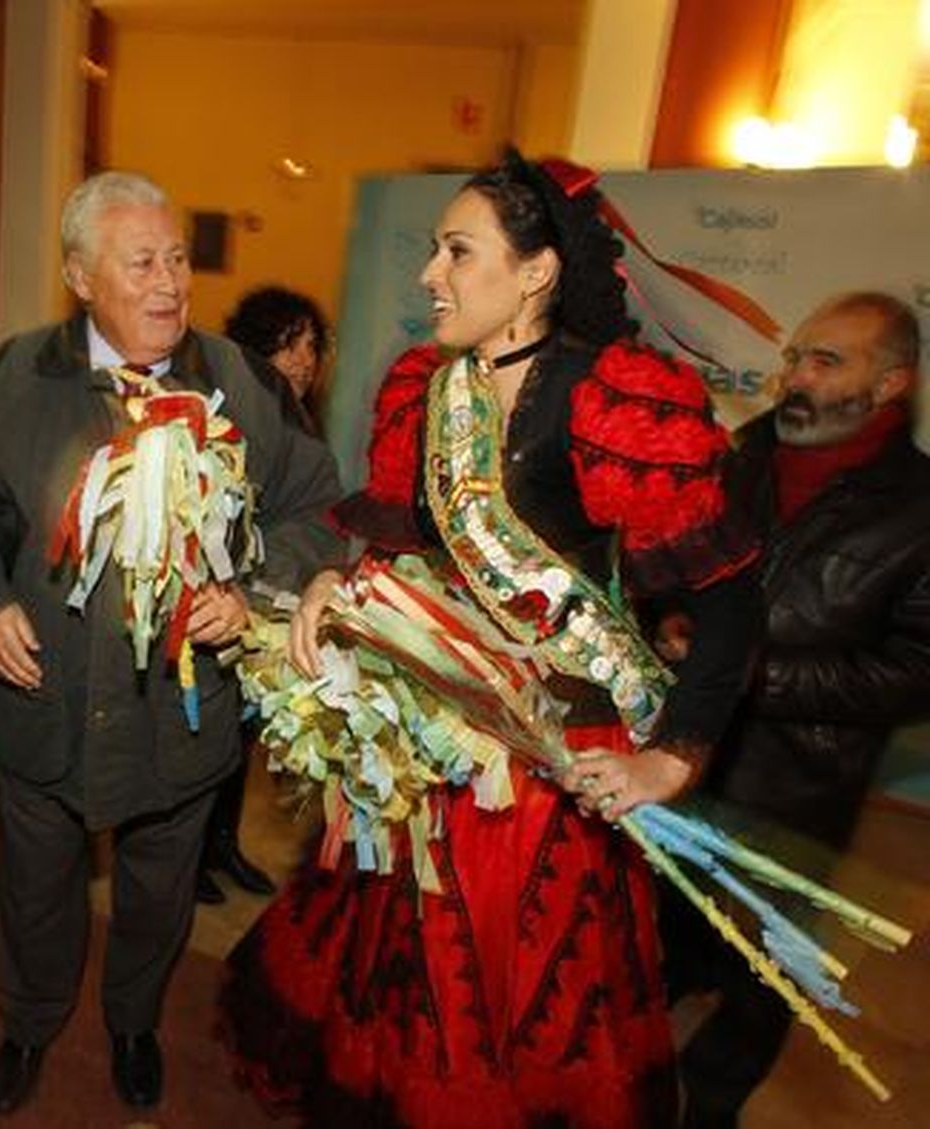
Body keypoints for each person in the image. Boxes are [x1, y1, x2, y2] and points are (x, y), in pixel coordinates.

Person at [219, 150, 762, 1128]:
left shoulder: (608, 400)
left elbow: (730, 607)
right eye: (433, 250)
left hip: (559, 754)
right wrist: (337, 585)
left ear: (535, 271)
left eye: (457, 251)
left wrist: (671, 758)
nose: (429, 274)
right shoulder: (427, 389)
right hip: (441, 727)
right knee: (406, 960)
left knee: (515, 993)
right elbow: (416, 539)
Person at [0, 170, 343, 1116]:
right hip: (43, 704)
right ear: (78, 275)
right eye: (141, 261)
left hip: (182, 718)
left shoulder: (239, 382)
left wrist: (255, 588)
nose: (169, 282)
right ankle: (28, 1022)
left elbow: (319, 508)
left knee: (158, 893)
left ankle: (135, 1022)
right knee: (34, 890)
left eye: (178, 258)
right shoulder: (14, 379)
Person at [662, 291, 930, 1128]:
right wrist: (666, 611)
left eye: (826, 360)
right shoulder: (739, 455)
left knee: (758, 982)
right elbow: (678, 564)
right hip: (681, 763)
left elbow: (916, 672)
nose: (795, 378)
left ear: (891, 384)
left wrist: (751, 673)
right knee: (655, 944)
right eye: (794, 357)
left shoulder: (922, 509)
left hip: (795, 796)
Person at [187, 285, 333, 909]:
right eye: (289, 344)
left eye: (311, 346)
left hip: (267, 607)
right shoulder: (225, 412)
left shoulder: (300, 420)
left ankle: (222, 846)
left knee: (237, 741)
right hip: (216, 607)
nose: (303, 361)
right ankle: (189, 859)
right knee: (202, 741)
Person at [224, 284, 330, 420]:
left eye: (311, 346)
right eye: (290, 345)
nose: (307, 361)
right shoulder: (220, 425)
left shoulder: (303, 428)